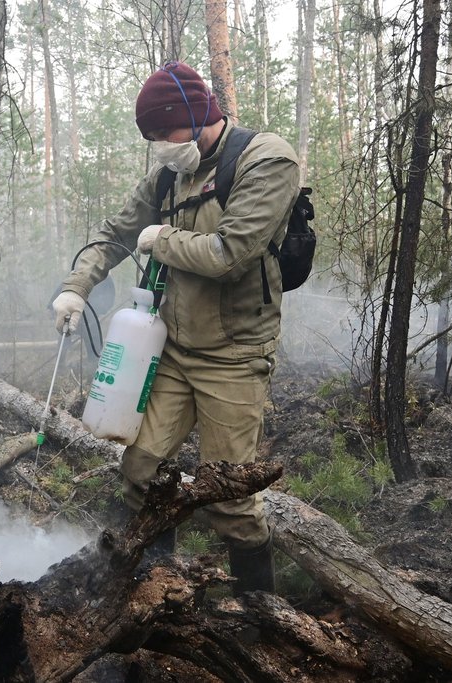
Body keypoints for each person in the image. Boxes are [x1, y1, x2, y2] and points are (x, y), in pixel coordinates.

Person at [51, 61, 300, 592]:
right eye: (151, 138)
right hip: (170, 347)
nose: (160, 145)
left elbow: (230, 253)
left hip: (234, 354)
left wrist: (159, 240)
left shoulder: (267, 160)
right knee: (140, 470)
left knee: (230, 498)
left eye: (164, 131)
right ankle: (156, 587)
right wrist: (76, 287)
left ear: (194, 112)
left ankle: (258, 619)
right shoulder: (170, 173)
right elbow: (115, 233)